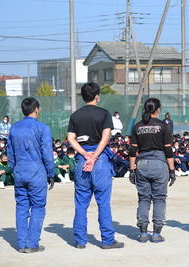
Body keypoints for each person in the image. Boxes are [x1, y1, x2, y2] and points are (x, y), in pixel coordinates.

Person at [67, 82, 124, 250]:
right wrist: (94, 157)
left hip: (82, 160)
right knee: (103, 202)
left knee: (81, 203)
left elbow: (71, 139)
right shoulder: (104, 114)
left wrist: (85, 155)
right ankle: (107, 240)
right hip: (100, 162)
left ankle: (80, 240)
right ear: (97, 96)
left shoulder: (75, 116)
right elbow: (105, 138)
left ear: (83, 97)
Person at [7, 97, 55, 253]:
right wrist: (51, 173)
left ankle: (21, 243)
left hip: (20, 171)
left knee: (21, 206)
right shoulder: (43, 128)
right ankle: (32, 243)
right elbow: (47, 154)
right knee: (38, 207)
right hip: (37, 172)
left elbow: (10, 153)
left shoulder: (14, 128)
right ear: (36, 109)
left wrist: (15, 169)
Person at [128, 98, 176, 243]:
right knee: (159, 199)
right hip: (159, 163)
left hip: (142, 163)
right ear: (158, 110)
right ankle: (156, 233)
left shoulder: (138, 126)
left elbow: (132, 150)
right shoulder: (163, 126)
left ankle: (143, 232)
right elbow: (168, 150)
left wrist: (131, 169)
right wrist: (172, 170)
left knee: (143, 198)